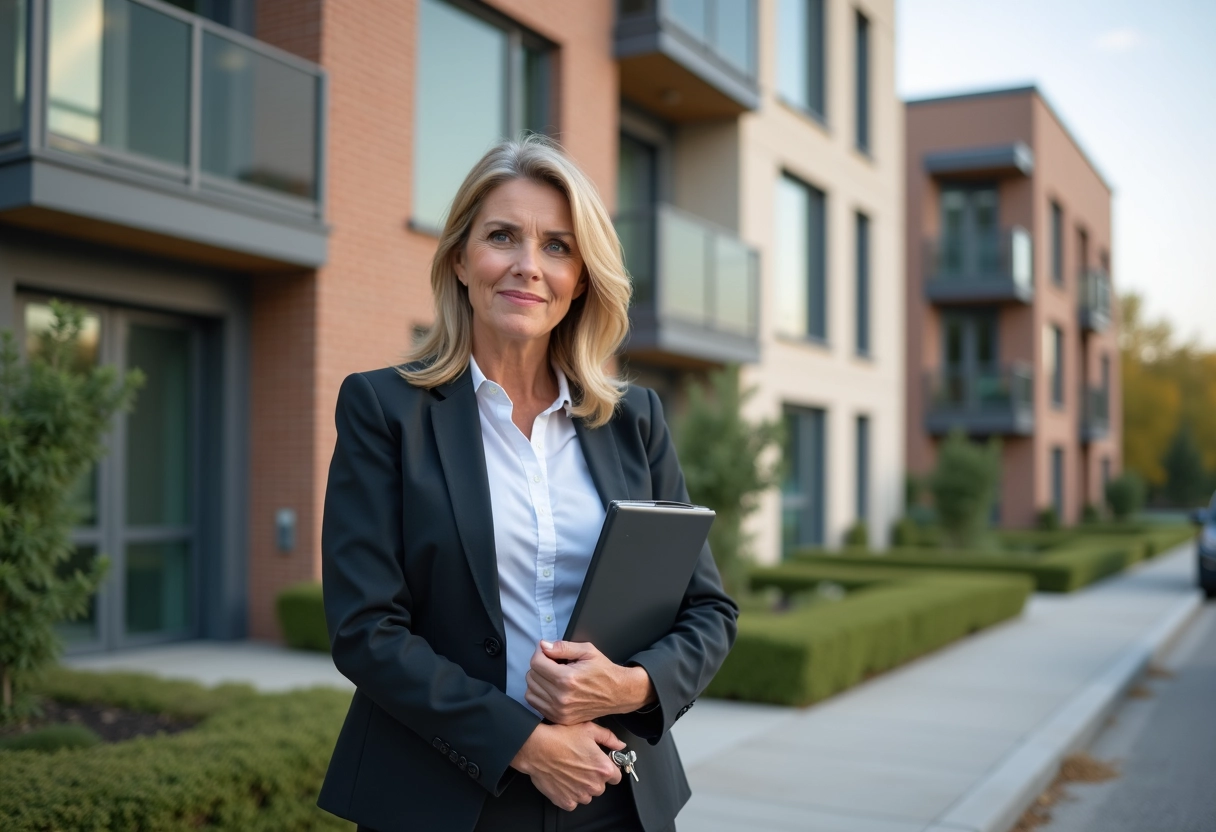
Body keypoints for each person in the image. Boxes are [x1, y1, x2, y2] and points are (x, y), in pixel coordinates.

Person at [317, 136, 738, 832]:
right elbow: (365, 629)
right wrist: (524, 744)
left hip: (615, 792)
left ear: (582, 278)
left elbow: (708, 611)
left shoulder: (634, 419)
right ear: (460, 259)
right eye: (502, 236)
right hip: (443, 797)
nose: (527, 266)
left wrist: (630, 685)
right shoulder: (384, 409)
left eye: (557, 246)